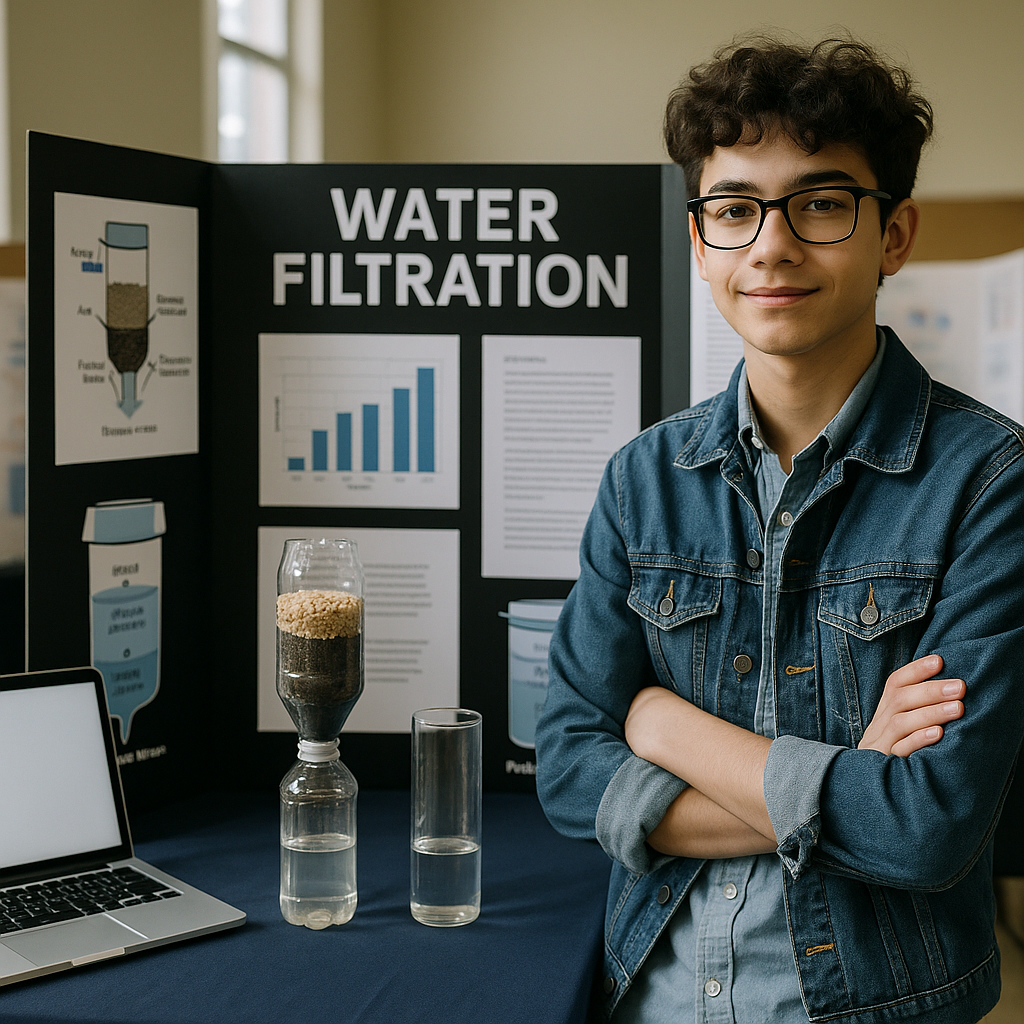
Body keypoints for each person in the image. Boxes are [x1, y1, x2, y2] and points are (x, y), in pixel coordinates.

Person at [534, 36, 1024, 1024]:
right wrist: (849, 772)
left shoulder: (990, 480)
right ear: (699, 239)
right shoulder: (645, 479)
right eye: (734, 208)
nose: (770, 244)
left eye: (821, 202)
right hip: (652, 996)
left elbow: (928, 827)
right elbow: (569, 771)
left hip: (880, 1004)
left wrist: (663, 725)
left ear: (893, 234)